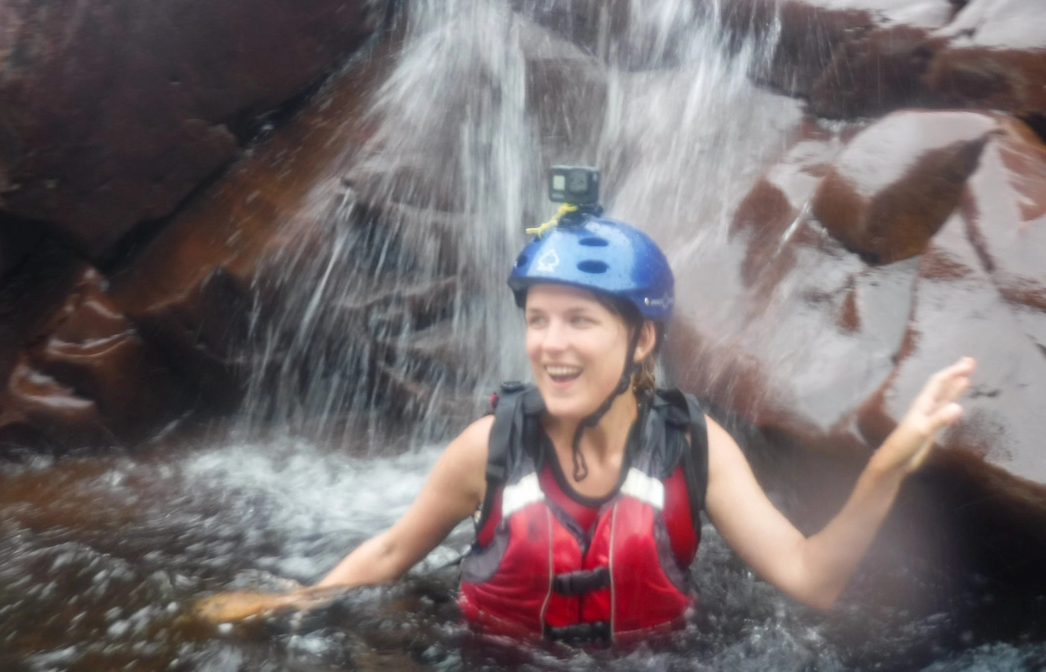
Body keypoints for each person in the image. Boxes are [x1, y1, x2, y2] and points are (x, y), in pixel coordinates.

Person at [197, 211, 974, 645]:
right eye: (537, 320)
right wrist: (288, 603)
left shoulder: (695, 447)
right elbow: (395, 552)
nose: (549, 343)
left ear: (641, 340)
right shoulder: (490, 446)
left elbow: (814, 579)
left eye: (579, 321)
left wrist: (887, 469)